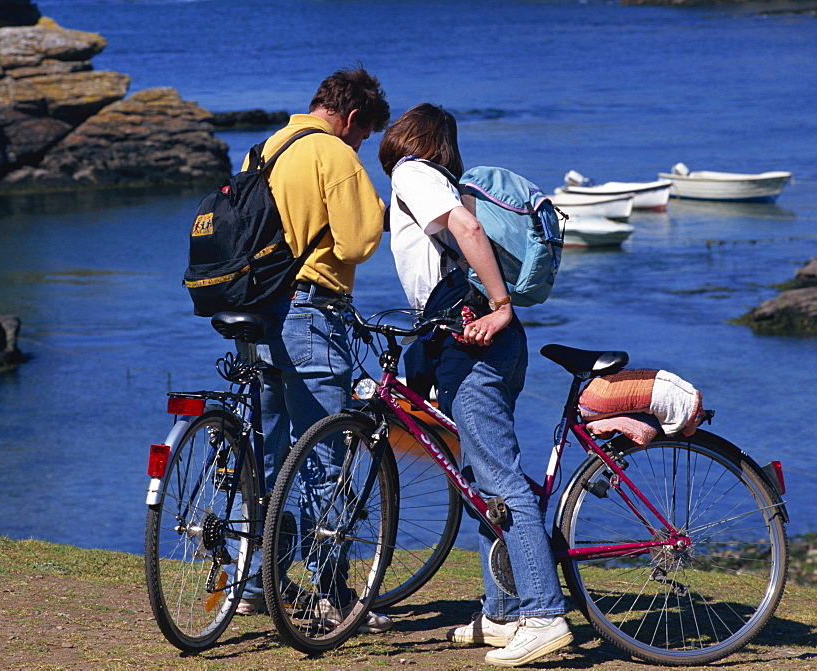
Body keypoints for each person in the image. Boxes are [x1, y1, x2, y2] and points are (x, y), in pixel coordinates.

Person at [378, 103, 573, 667]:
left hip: (474, 335)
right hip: (471, 340)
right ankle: (502, 612)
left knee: (500, 479)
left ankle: (543, 614)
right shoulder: (434, 179)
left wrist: (502, 305)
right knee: (479, 481)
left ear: (407, 138)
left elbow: (466, 229)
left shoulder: (412, 172)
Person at [237, 67, 392, 633]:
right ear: (352, 119)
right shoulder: (334, 154)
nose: (361, 145)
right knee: (329, 455)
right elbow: (356, 241)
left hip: (258, 312)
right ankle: (333, 597)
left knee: (272, 454)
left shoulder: (269, 146)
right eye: (365, 135)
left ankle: (257, 583)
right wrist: (371, 204)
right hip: (309, 310)